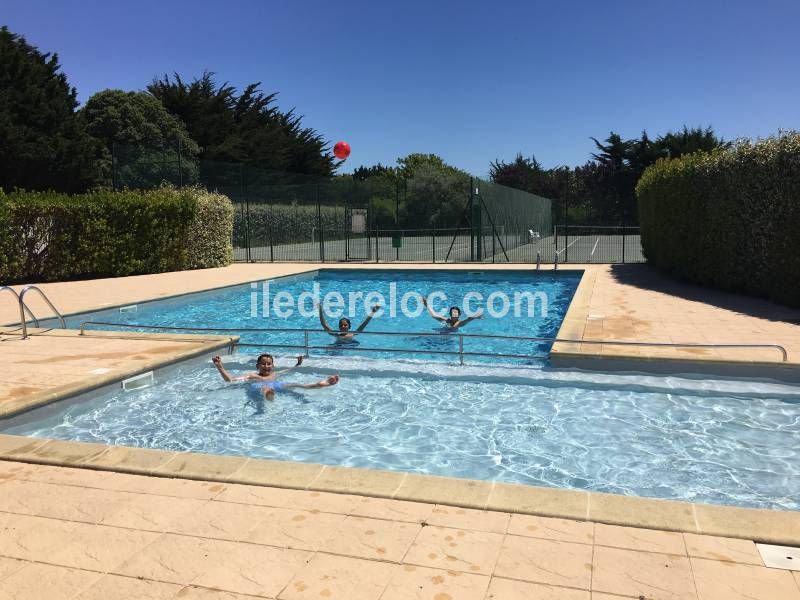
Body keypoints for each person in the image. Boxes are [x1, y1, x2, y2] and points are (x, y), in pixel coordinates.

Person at [211, 354, 339, 400]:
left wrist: (297, 365)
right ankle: (267, 397)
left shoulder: (274, 374)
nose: (266, 366)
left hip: (277, 386)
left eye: (269, 364)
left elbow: (287, 370)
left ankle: (322, 383)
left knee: (298, 385)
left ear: (272, 365)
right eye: (263, 364)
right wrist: (220, 367)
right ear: (257, 365)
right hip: (259, 386)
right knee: (265, 387)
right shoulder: (252, 376)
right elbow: (231, 380)